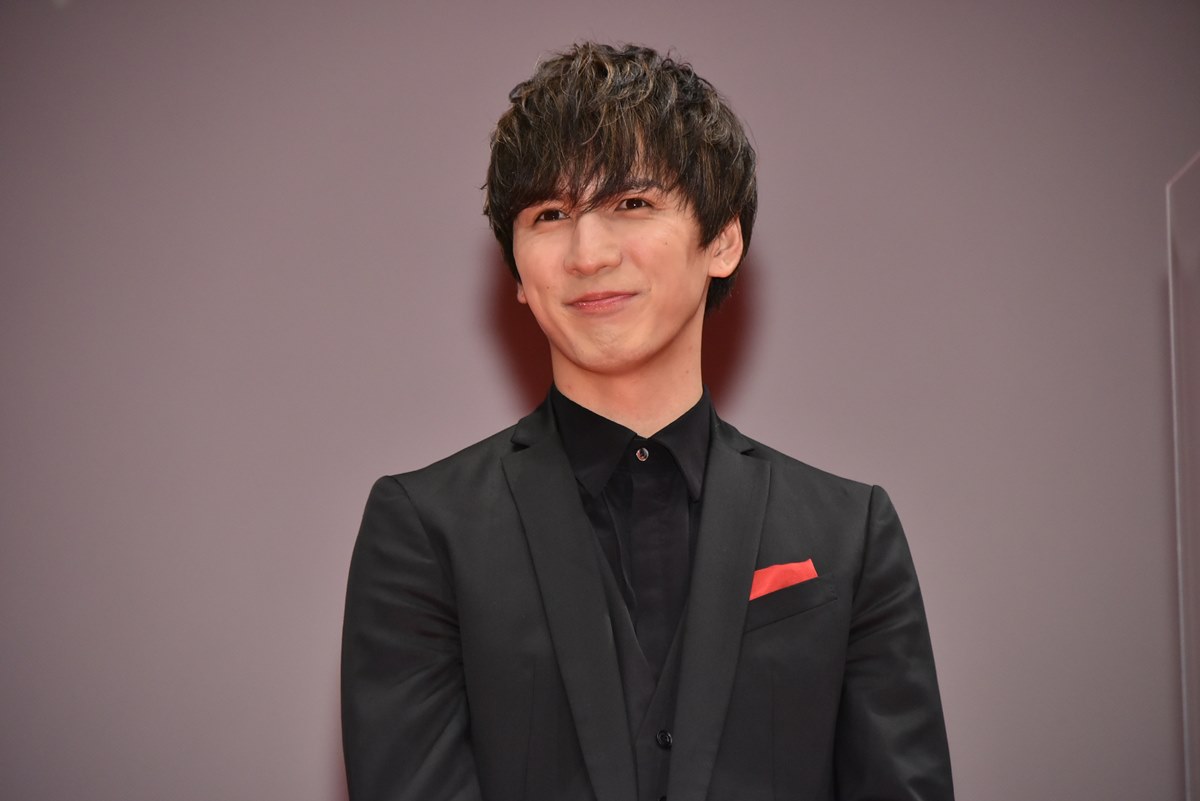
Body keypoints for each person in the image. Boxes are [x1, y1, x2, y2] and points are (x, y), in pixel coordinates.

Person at [341, 42, 953, 801]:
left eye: (631, 203)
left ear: (723, 240)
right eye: (550, 214)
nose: (587, 253)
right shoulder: (424, 530)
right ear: (519, 275)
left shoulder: (849, 532)